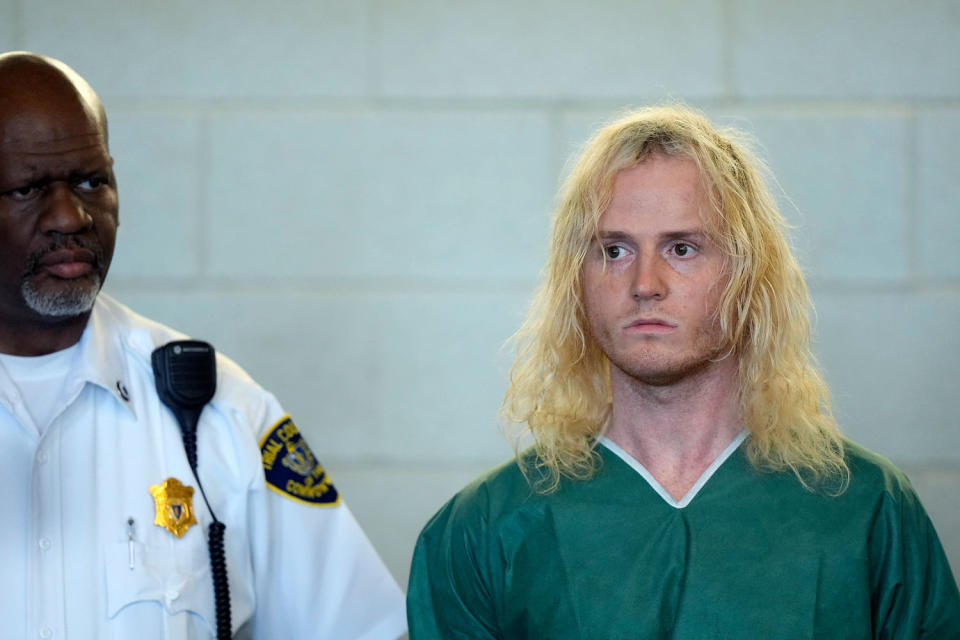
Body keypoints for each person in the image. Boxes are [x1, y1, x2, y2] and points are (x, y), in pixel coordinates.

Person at [407, 105, 960, 638]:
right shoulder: (482, 530)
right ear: (576, 282)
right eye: (615, 250)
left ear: (747, 277)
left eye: (682, 248)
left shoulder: (867, 510)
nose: (646, 283)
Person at [0, 51, 406, 639]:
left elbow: (359, 628)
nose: (70, 215)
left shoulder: (213, 408)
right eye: (27, 189)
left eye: (93, 181)